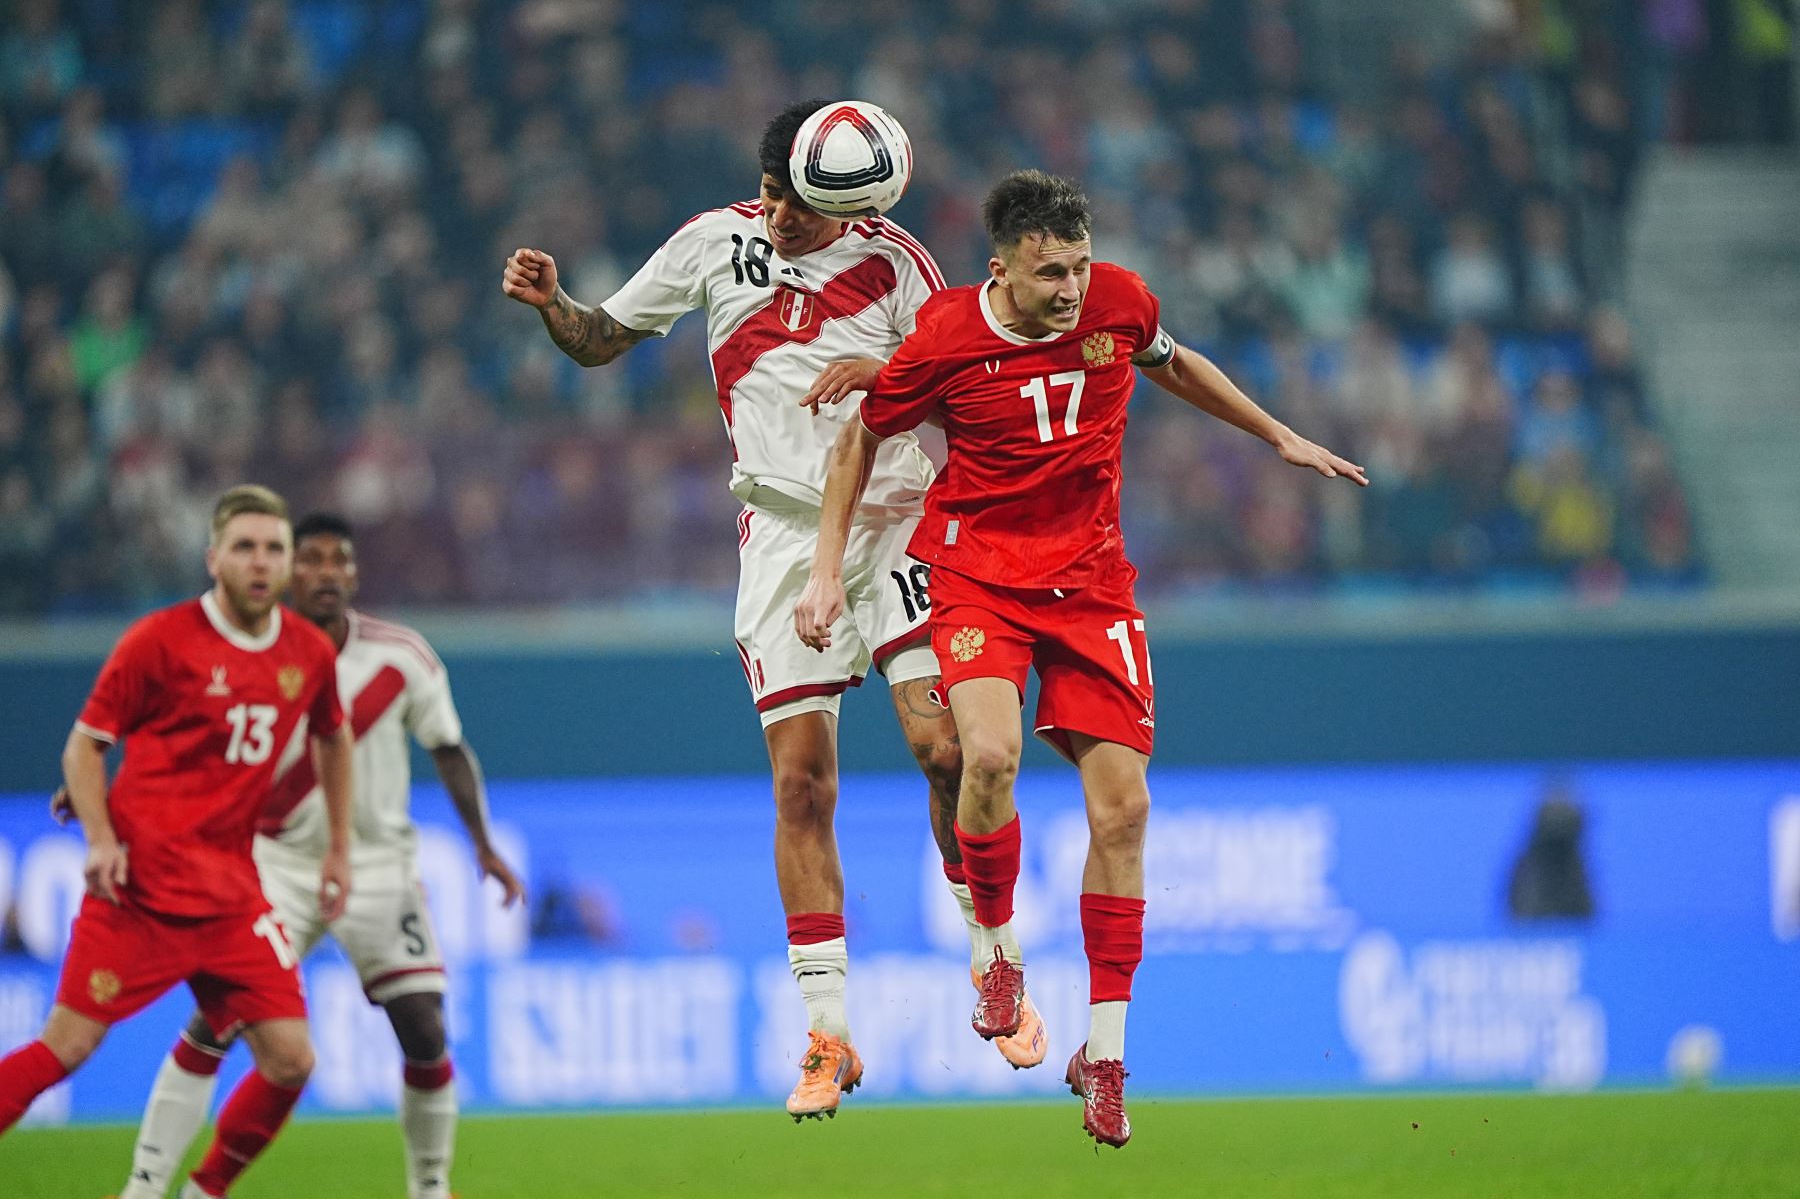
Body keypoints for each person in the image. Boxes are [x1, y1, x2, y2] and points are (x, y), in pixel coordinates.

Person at [795, 170, 1367, 1146]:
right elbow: (860, 438)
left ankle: (1104, 1058)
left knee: (1126, 808)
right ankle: (999, 949)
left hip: (1093, 586)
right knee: (985, 757)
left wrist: (1278, 435)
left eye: (1079, 265)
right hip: (979, 573)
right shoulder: (944, 337)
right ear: (1002, 267)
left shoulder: (1120, 304)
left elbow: (1172, 361)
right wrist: (820, 573)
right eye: (1049, 271)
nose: (1069, 288)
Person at [501, 99, 1045, 1120]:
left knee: (946, 752)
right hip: (783, 542)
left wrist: (881, 372)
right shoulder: (714, 242)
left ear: (848, 201)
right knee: (803, 786)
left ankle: (991, 953)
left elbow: (968, 382)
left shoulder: (896, 265)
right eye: (769, 193)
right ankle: (829, 1035)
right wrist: (552, 302)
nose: (776, 215)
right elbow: (600, 341)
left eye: (796, 204)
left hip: (897, 525)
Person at [103, 512, 526, 1199]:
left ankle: (429, 1186)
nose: (327, 573)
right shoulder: (244, 655)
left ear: (354, 574)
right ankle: (149, 1186)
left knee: (424, 1026)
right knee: (217, 1020)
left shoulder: (401, 656)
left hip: (381, 867)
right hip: (271, 864)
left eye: (340, 561)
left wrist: (482, 844)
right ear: (286, 572)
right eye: (313, 560)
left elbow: (448, 748)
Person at [0, 485, 353, 1199]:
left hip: (230, 899)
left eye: (273, 549)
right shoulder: (159, 641)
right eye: (245, 547)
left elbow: (333, 736)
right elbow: (83, 748)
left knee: (291, 1060)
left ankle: (202, 1192)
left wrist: (339, 847)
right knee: (66, 1047)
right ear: (213, 559)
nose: (261, 562)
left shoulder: (307, 652)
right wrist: (101, 837)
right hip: (140, 893)